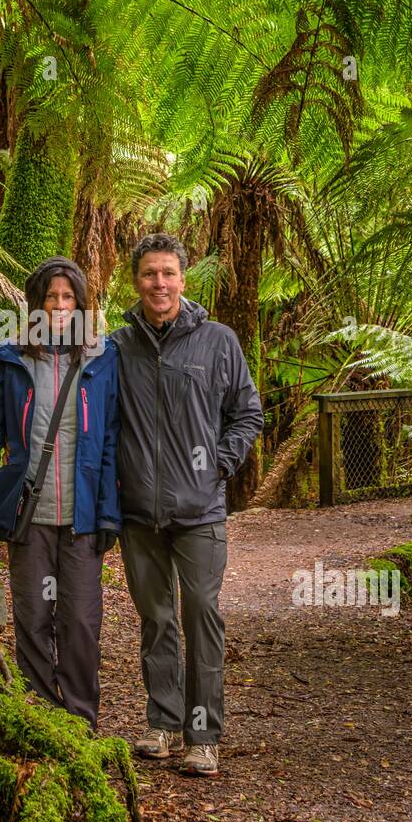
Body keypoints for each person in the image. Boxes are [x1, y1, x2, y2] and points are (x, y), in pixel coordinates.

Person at [110, 232, 264, 776]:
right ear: (136, 280)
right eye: (150, 273)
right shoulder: (116, 347)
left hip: (200, 512)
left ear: (183, 278)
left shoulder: (218, 341)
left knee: (201, 615)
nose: (159, 283)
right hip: (137, 515)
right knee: (156, 619)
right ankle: (164, 724)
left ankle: (204, 736)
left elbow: (248, 413)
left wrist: (219, 464)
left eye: (169, 273)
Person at [0, 257, 121, 728]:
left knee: (80, 624)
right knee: (32, 618)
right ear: (35, 304)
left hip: (82, 516)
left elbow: (110, 440)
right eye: (50, 297)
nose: (59, 305)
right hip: (27, 514)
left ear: (81, 304)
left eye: (68, 297)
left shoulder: (101, 357)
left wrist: (110, 514)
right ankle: (40, 720)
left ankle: (80, 722)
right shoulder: (12, 358)